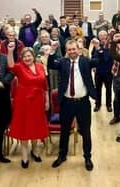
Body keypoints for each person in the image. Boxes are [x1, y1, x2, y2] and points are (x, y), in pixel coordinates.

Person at [48, 40, 96, 171]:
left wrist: (98, 47)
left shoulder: (85, 61)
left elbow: (101, 61)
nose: (71, 52)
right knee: (64, 131)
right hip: (67, 102)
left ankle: (87, 157)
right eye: (69, 50)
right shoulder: (63, 62)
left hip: (83, 102)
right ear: (66, 51)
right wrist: (52, 51)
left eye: (73, 49)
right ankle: (62, 155)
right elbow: (51, 64)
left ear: (78, 49)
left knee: (86, 131)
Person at [7, 44, 49, 169]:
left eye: (29, 55)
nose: (27, 58)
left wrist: (47, 101)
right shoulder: (19, 67)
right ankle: (24, 155)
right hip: (23, 102)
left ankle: (35, 151)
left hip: (38, 100)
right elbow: (10, 66)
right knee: (24, 127)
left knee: (36, 126)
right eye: (24, 56)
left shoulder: (41, 66)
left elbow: (45, 85)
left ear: (33, 56)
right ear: (21, 58)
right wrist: (10, 51)